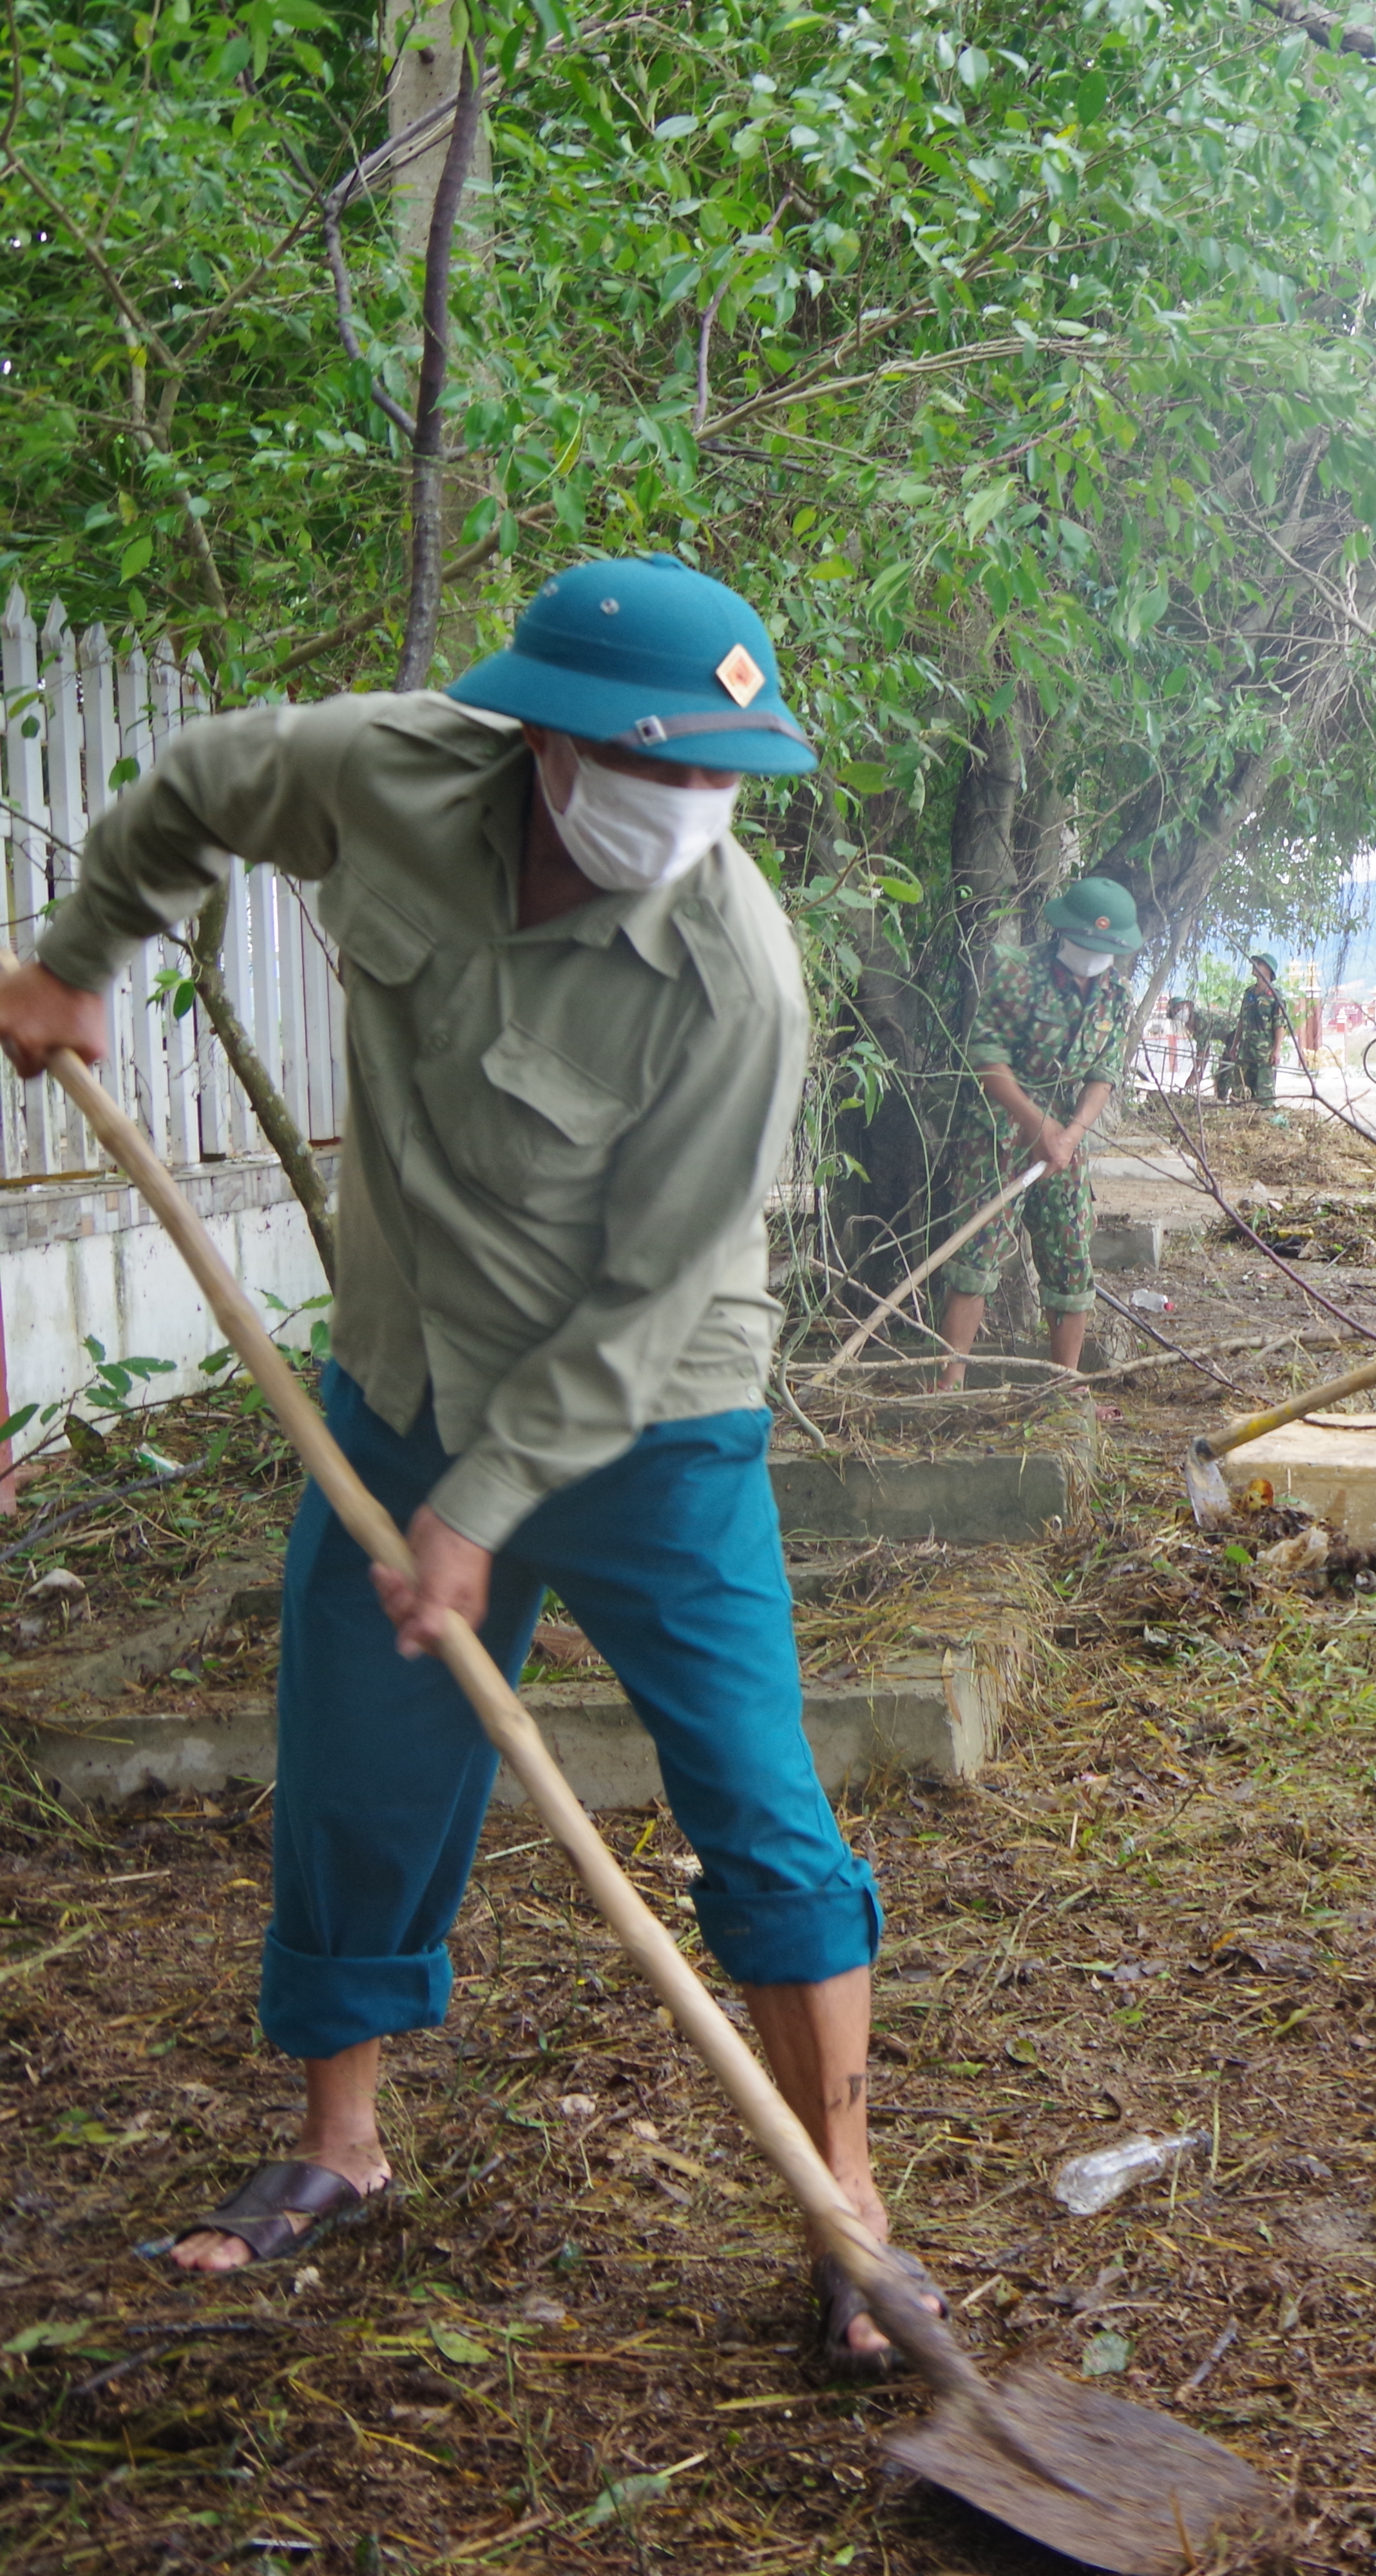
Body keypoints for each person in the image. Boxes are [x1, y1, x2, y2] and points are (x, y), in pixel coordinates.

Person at [0, 556, 922, 2367]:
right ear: (552, 748)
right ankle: (339, 2147)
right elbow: (192, 787)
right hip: (411, 1381)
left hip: (656, 1421)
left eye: (732, 780)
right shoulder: (391, 778)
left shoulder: (736, 977)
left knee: (752, 1788)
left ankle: (849, 2201)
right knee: (360, 1752)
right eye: (670, 771)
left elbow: (655, 1290)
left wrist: (482, 1514)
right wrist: (77, 958)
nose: (699, 814)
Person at [932, 876, 1140, 1385]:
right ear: (1064, 932)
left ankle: (1063, 1388)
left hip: (1066, 1146)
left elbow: (1104, 1074)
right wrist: (1036, 1124)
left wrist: (1069, 1133)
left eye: (1105, 950)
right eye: (1088, 945)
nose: (1094, 957)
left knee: (1070, 1256)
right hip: (999, 1134)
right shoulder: (1019, 972)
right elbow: (986, 1058)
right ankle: (947, 1385)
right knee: (977, 1255)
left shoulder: (1116, 995)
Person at [1219, 953, 1287, 1107]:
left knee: (1264, 1096)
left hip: (1264, 1054)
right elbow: (1242, 1021)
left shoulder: (1276, 997)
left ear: (1268, 970)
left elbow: (1279, 1025)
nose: (1255, 965)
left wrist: (1277, 1050)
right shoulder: (1249, 993)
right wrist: (1235, 1044)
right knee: (1240, 1091)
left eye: (1260, 963)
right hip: (1245, 1052)